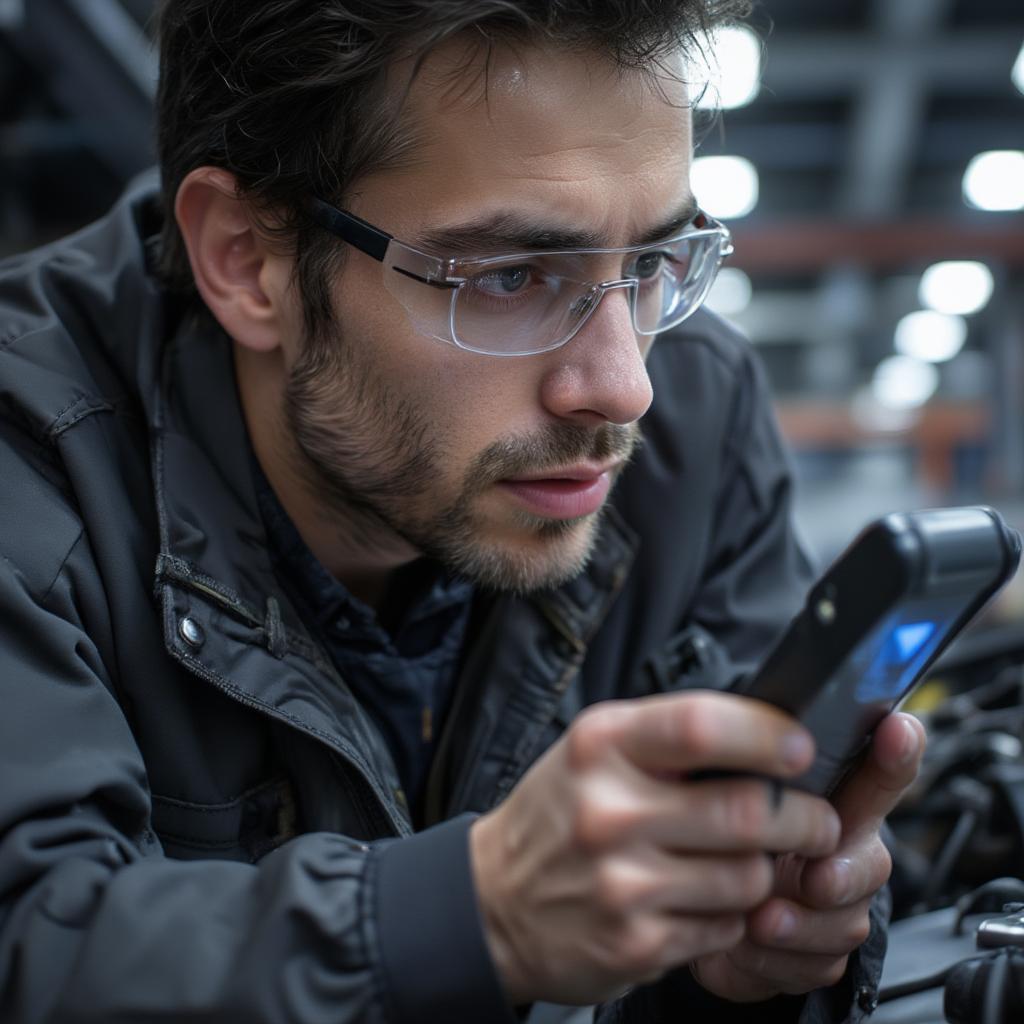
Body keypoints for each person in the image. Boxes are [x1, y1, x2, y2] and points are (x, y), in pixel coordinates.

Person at [0, 1, 925, 1021]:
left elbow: (766, 924)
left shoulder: (698, 422)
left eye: (654, 263)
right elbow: (33, 942)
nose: (623, 388)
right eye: (511, 276)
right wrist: (470, 918)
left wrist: (765, 952)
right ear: (244, 257)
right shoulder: (26, 459)